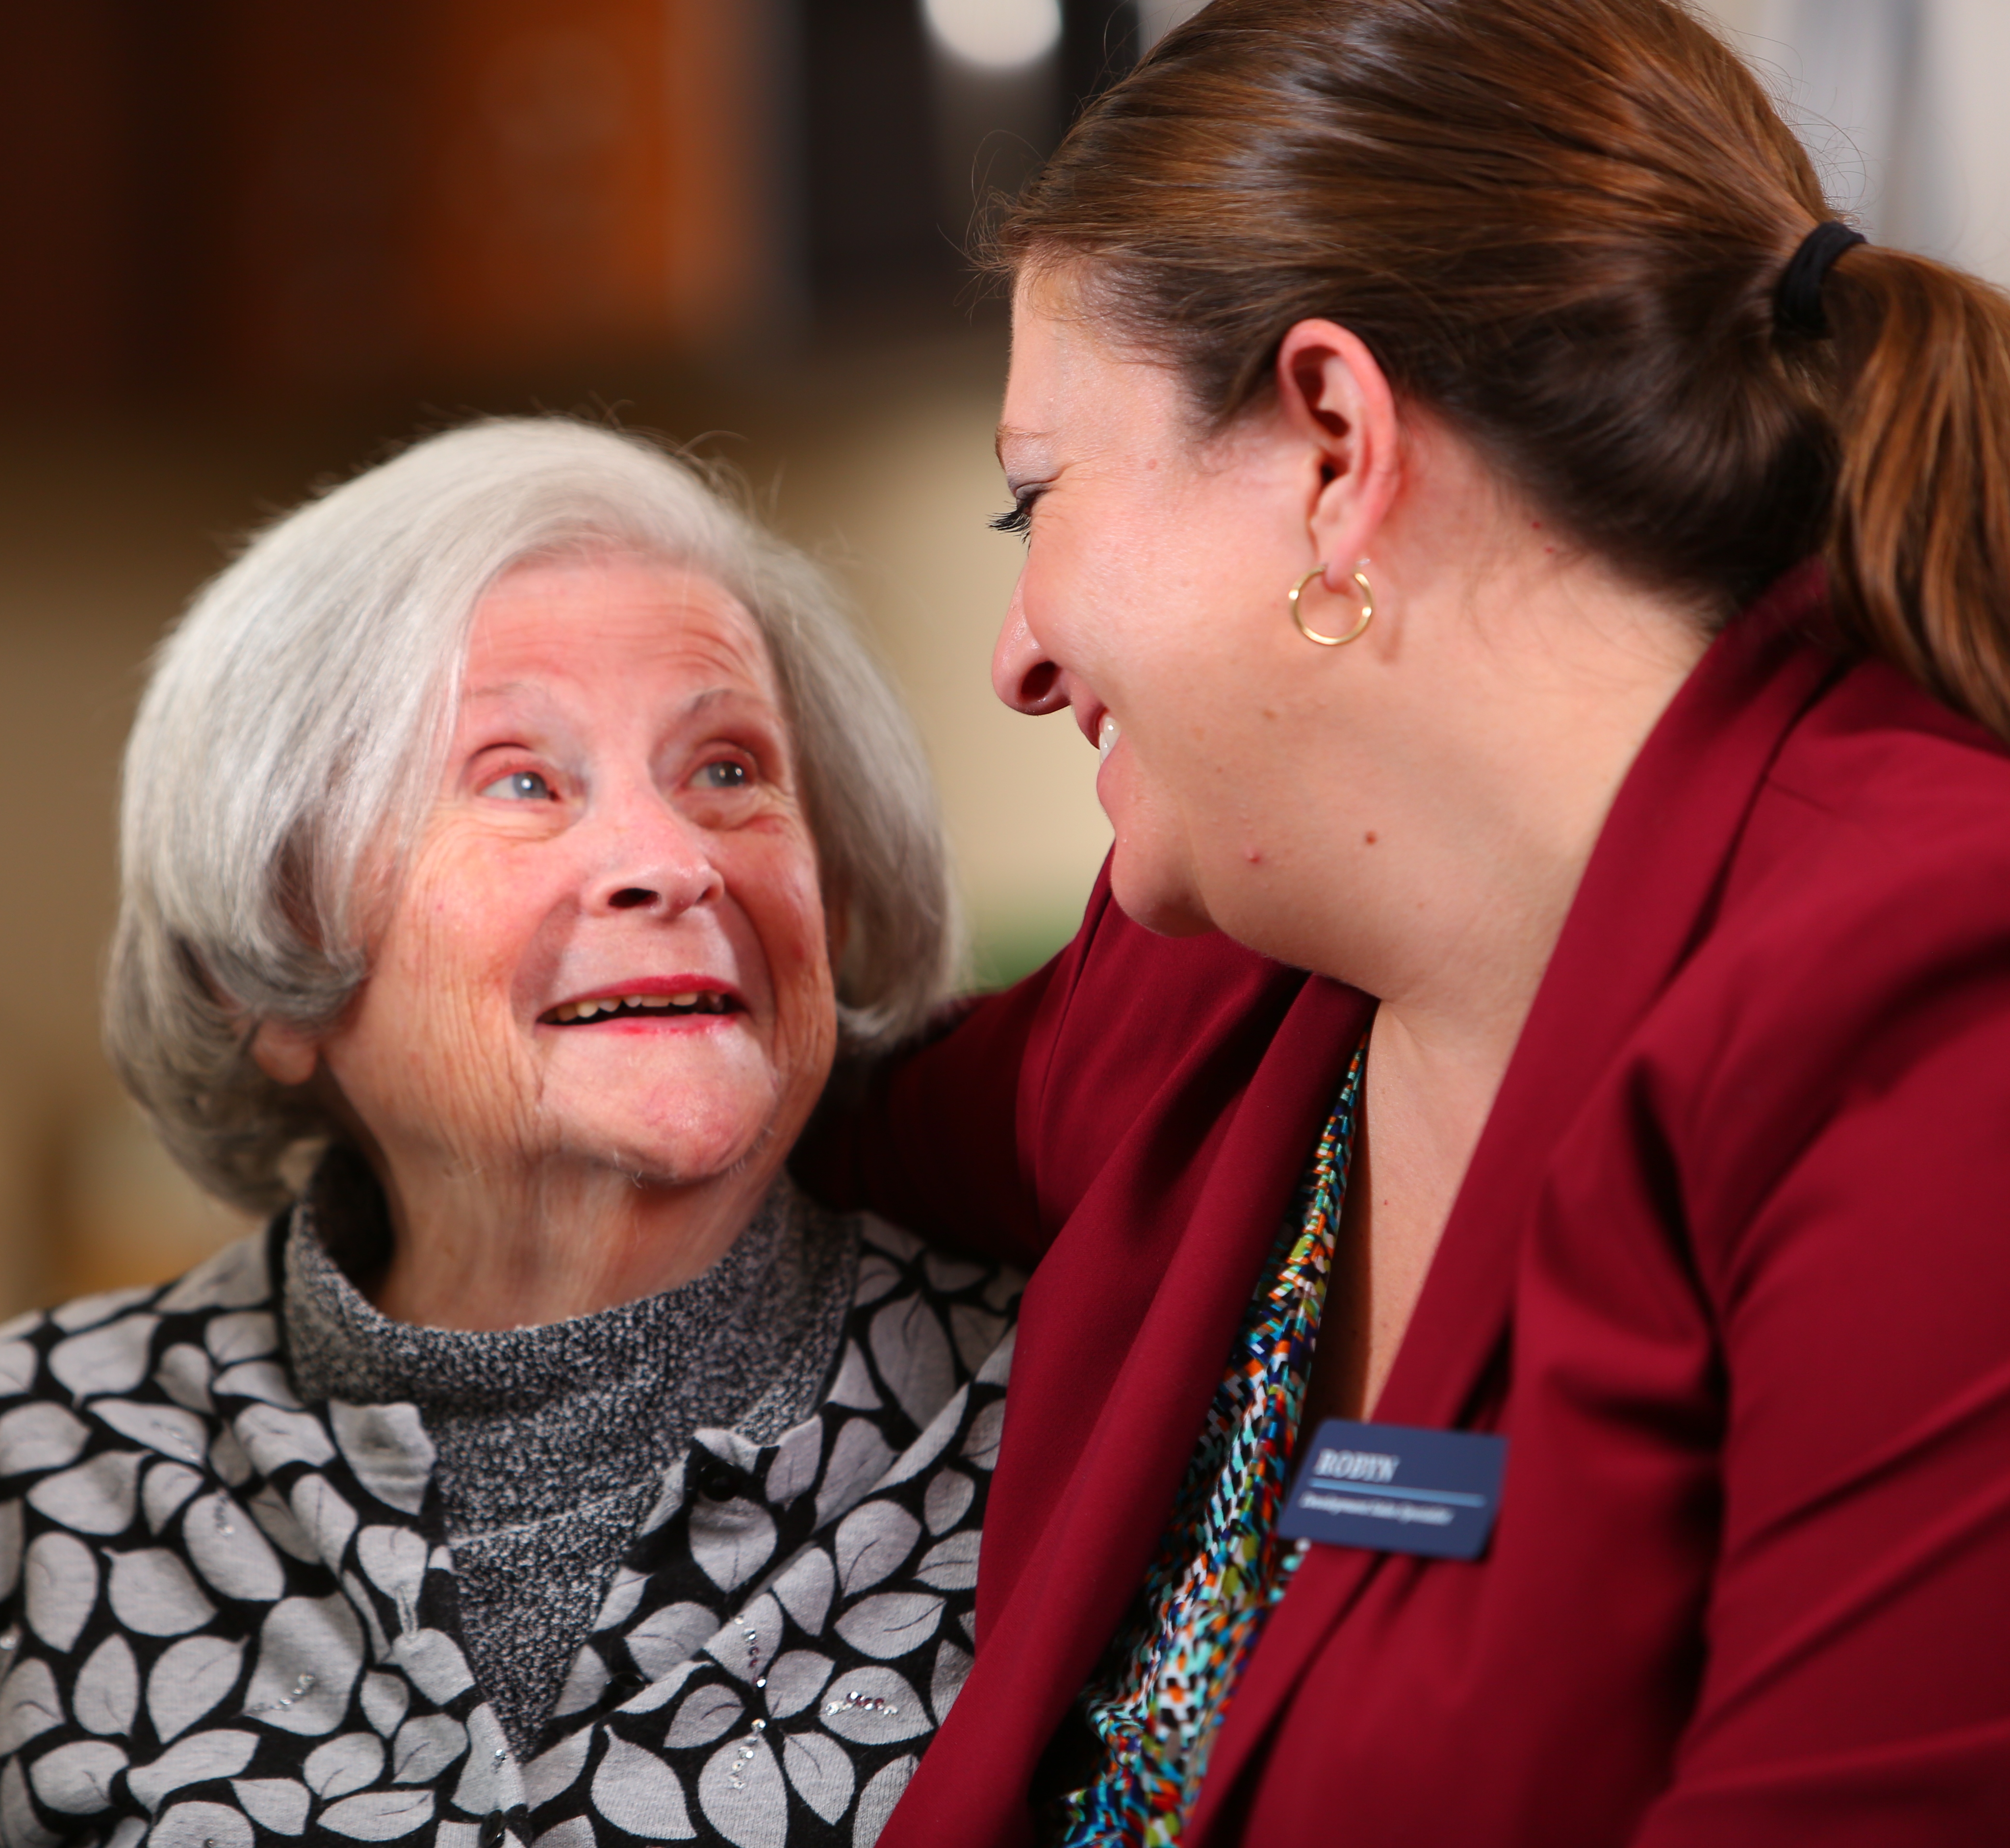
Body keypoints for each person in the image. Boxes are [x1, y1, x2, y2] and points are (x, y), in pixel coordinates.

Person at [792, 1, 2010, 1843]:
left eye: (1034, 498)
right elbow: (755, 1124)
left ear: (1334, 446)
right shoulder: (1220, 982)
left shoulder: (1935, 1010)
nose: (1019, 654)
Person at [0, 418, 1019, 1848]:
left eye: (730, 771)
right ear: (274, 965)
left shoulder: (1054, 1423)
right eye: (525, 780)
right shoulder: (31, 1470)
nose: (671, 860)